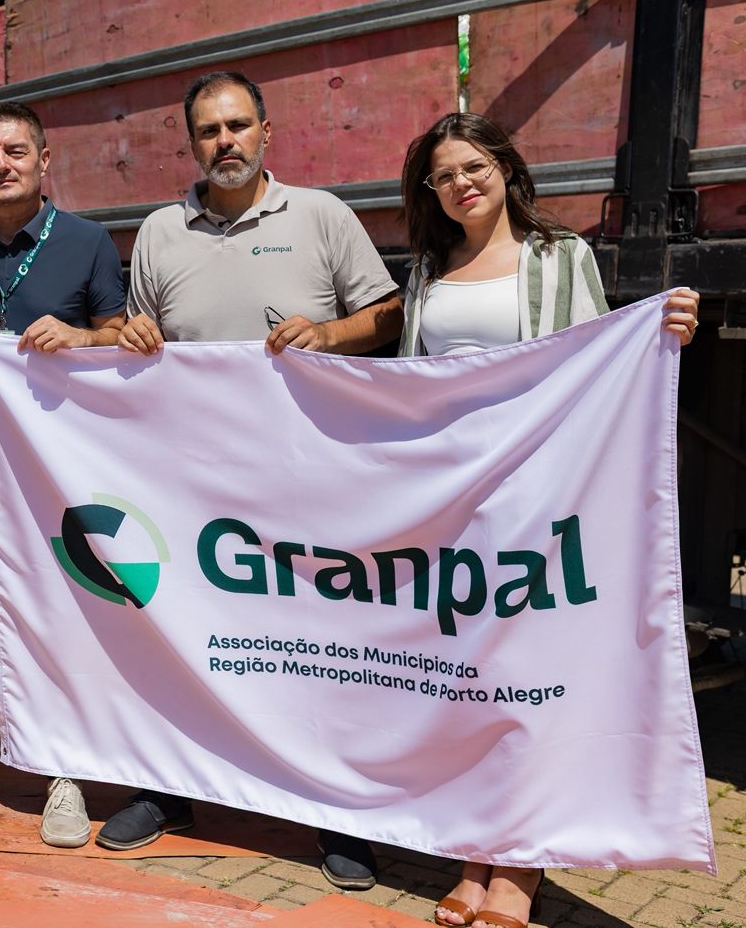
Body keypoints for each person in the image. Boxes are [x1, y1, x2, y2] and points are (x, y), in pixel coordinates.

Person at [400, 112, 698, 928]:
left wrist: (662, 329)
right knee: (464, 680)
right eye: (443, 175)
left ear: (504, 168)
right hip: (450, 504)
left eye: (473, 166)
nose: (461, 183)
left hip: (536, 498)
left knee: (527, 680)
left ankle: (520, 866)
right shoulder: (427, 270)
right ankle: (474, 851)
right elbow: (410, 382)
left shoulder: (560, 257)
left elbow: (602, 358)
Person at [114, 70, 403, 890]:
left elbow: (391, 315)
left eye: (238, 125)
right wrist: (130, 334)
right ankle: (167, 790)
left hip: (308, 482)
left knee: (318, 647)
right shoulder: (160, 232)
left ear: (267, 133)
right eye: (209, 131)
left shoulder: (321, 215)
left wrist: (331, 333)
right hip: (192, 487)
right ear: (192, 144)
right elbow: (139, 338)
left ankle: (335, 815)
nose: (225, 142)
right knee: (182, 636)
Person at [0, 100, 124, 847]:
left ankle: (64, 768)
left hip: (57, 477)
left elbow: (121, 336)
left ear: (44, 159)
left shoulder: (88, 242)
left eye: (14, 151)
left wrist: (79, 336)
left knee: (62, 619)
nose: (1, 164)